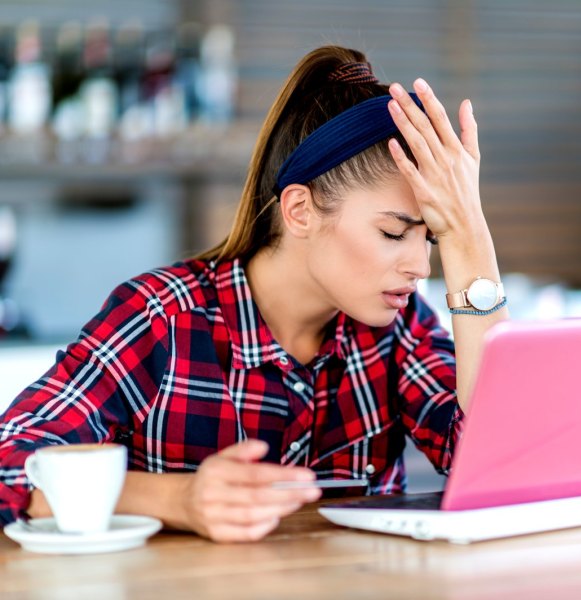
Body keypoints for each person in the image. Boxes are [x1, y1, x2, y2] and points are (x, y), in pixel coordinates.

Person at [0, 46, 508, 542]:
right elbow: (11, 465)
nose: (420, 266)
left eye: (433, 238)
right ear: (300, 211)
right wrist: (178, 500)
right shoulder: (162, 317)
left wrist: (471, 237)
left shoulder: (400, 328)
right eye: (395, 233)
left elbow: (501, 464)